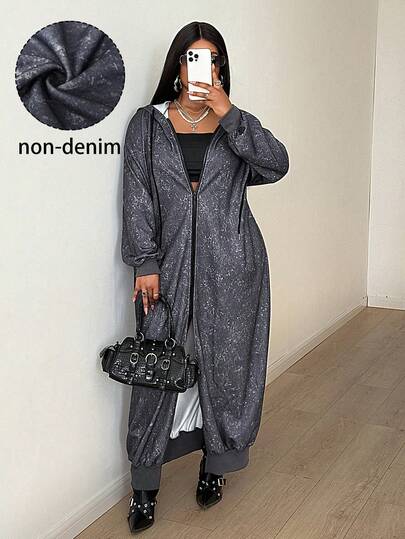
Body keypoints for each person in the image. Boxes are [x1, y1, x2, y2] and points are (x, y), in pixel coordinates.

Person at [121, 21, 289, 533]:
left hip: (234, 265)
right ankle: (144, 486)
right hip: (167, 267)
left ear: (221, 68)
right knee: (155, 368)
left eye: (212, 59)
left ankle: (216, 465)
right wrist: (145, 262)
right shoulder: (148, 125)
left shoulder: (234, 124)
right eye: (193, 57)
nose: (204, 67)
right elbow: (137, 195)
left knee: (228, 367)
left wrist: (228, 113)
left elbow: (277, 164)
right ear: (178, 66)